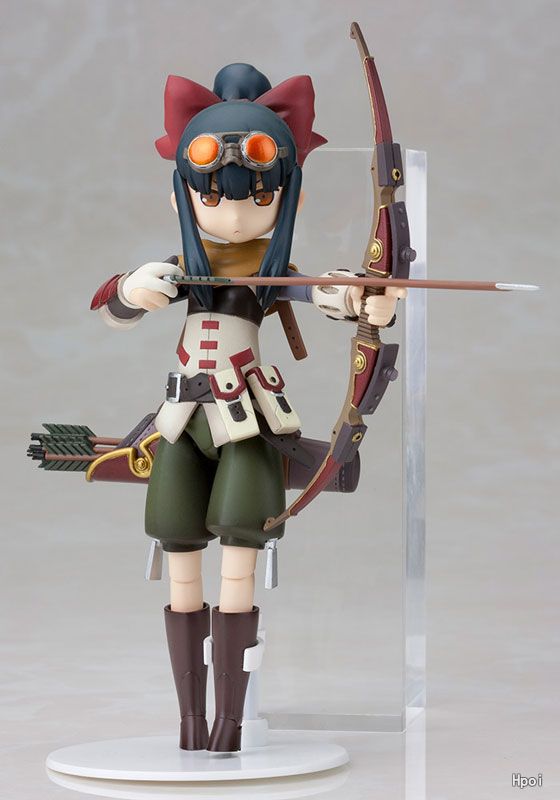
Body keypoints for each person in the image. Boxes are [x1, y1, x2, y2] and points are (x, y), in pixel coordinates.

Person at [90, 63, 403, 752]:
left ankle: (230, 723)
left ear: (286, 197)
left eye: (257, 199)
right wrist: (131, 289)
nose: (233, 216)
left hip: (246, 421)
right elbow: (112, 308)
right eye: (212, 198)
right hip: (181, 421)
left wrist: (369, 299)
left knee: (239, 551)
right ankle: (189, 720)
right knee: (178, 547)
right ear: (183, 194)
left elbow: (335, 294)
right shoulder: (183, 268)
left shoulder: (274, 272)